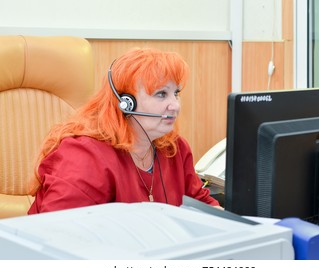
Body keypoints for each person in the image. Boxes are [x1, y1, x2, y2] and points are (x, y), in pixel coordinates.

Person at [28, 47, 221, 214]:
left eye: (176, 93)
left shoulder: (174, 148)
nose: (175, 105)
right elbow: (60, 233)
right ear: (126, 103)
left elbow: (201, 204)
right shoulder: (85, 156)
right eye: (161, 94)